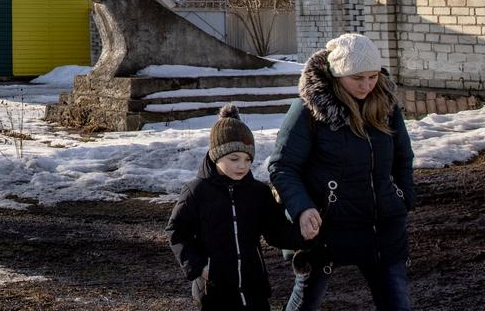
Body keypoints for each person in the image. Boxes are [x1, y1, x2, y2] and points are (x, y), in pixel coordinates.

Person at [268, 33, 415, 311]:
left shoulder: (386, 104)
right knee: (304, 303)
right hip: (327, 228)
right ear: (338, 74)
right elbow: (283, 167)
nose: (366, 86)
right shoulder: (309, 109)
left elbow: (403, 156)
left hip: (382, 225)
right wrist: (302, 209)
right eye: (357, 78)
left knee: (397, 304)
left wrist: (403, 196)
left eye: (372, 77)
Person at [167, 103, 303, 310]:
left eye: (248, 159)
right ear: (216, 155)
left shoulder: (258, 192)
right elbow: (178, 232)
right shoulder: (196, 191)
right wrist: (200, 267)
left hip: (253, 287)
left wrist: (304, 234)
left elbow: (276, 231)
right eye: (234, 159)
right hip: (214, 289)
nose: (242, 165)